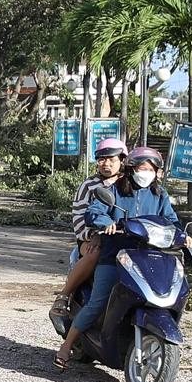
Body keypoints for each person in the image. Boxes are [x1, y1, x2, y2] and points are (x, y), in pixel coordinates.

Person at [54, 147, 178, 369]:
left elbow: (171, 220)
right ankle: (67, 344)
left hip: (147, 256)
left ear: (157, 172)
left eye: (151, 169)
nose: (146, 173)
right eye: (142, 168)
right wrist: (106, 223)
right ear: (131, 169)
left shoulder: (160, 195)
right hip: (115, 256)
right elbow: (94, 212)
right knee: (98, 302)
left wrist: (183, 236)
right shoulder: (115, 190)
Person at [49, 137, 128, 319]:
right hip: (92, 239)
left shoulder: (129, 184)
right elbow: (79, 217)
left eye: (112, 159)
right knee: (95, 253)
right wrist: (94, 234)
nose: (106, 164)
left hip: (126, 238)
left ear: (122, 160)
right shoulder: (89, 185)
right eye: (102, 159)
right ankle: (64, 296)